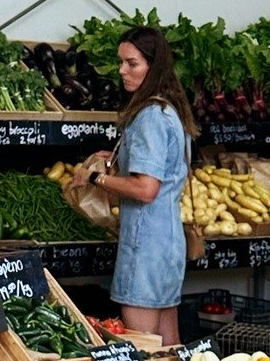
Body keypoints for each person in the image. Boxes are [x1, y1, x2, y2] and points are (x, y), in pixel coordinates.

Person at [83, 27, 194, 343]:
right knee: (169, 348)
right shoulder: (170, 109)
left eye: (132, 63)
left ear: (153, 65)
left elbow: (147, 189)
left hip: (145, 245)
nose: (122, 71)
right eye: (122, 62)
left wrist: (96, 178)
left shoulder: (149, 116)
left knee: (141, 349)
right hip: (168, 240)